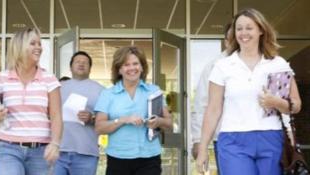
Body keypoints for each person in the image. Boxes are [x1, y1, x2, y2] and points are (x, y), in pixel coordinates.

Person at [196, 8, 301, 175]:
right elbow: (213, 110)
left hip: (271, 137)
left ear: (261, 30)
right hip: (233, 140)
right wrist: (202, 148)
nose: (243, 33)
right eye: (239, 28)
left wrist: (276, 103)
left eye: (249, 28)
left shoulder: (278, 64)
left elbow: (295, 105)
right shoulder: (222, 66)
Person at [0, 28, 63, 175]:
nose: (39, 47)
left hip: (40, 151)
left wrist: (55, 143)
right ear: (19, 46)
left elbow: (56, 116)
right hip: (8, 148)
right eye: (33, 43)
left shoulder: (49, 79)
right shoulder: (3, 77)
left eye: (39, 43)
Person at [94, 46, 172, 175]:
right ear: (119, 69)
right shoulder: (107, 94)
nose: (132, 68)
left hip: (149, 158)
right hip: (118, 158)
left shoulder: (154, 91)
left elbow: (169, 123)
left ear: (142, 67)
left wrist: (158, 121)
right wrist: (123, 120)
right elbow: (99, 128)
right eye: (126, 65)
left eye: (136, 64)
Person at [54, 51, 104, 175]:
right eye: (78, 61)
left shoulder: (101, 90)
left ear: (90, 68)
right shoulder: (57, 87)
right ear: (70, 67)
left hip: (86, 153)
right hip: (58, 152)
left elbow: (109, 119)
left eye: (85, 62)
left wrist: (92, 118)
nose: (81, 64)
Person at [191, 22, 231, 173]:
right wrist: (198, 141)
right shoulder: (214, 66)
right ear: (226, 41)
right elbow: (202, 106)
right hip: (224, 138)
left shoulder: (262, 63)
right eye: (233, 37)